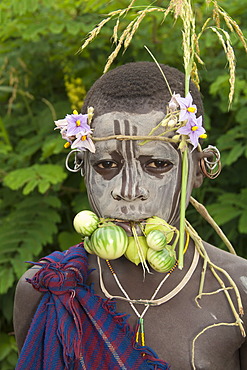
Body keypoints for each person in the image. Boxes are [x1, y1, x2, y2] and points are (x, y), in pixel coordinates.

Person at [14, 62, 247, 369]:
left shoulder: (237, 291)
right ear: (82, 167)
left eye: (158, 165)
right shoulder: (44, 288)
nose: (129, 190)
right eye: (106, 165)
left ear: (200, 169)